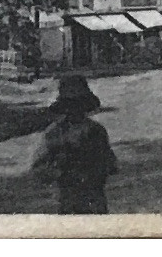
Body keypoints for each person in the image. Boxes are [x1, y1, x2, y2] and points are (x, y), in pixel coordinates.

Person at [29, 75, 118, 214]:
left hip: (92, 198)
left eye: (79, 106)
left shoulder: (95, 131)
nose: (75, 111)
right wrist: (59, 168)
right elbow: (39, 169)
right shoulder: (55, 133)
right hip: (69, 198)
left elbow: (110, 164)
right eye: (71, 106)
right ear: (64, 107)